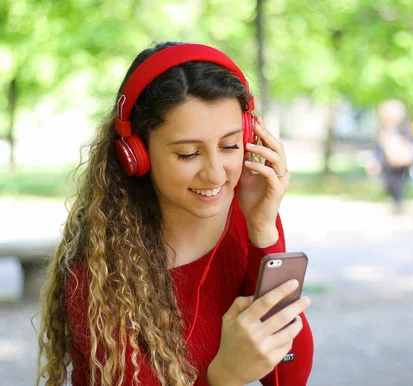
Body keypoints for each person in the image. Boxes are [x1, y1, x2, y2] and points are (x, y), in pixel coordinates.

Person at [36, 42, 313, 386]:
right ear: (136, 154)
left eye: (229, 146)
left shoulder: (249, 217)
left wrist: (263, 229)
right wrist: (223, 377)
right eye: (187, 154)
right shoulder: (102, 270)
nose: (216, 174)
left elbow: (289, 376)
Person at [370, 100, 413, 214]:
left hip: (401, 164)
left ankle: (398, 202)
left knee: (399, 183)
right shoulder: (383, 130)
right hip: (388, 163)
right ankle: (395, 200)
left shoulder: (405, 128)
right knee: (388, 182)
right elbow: (378, 148)